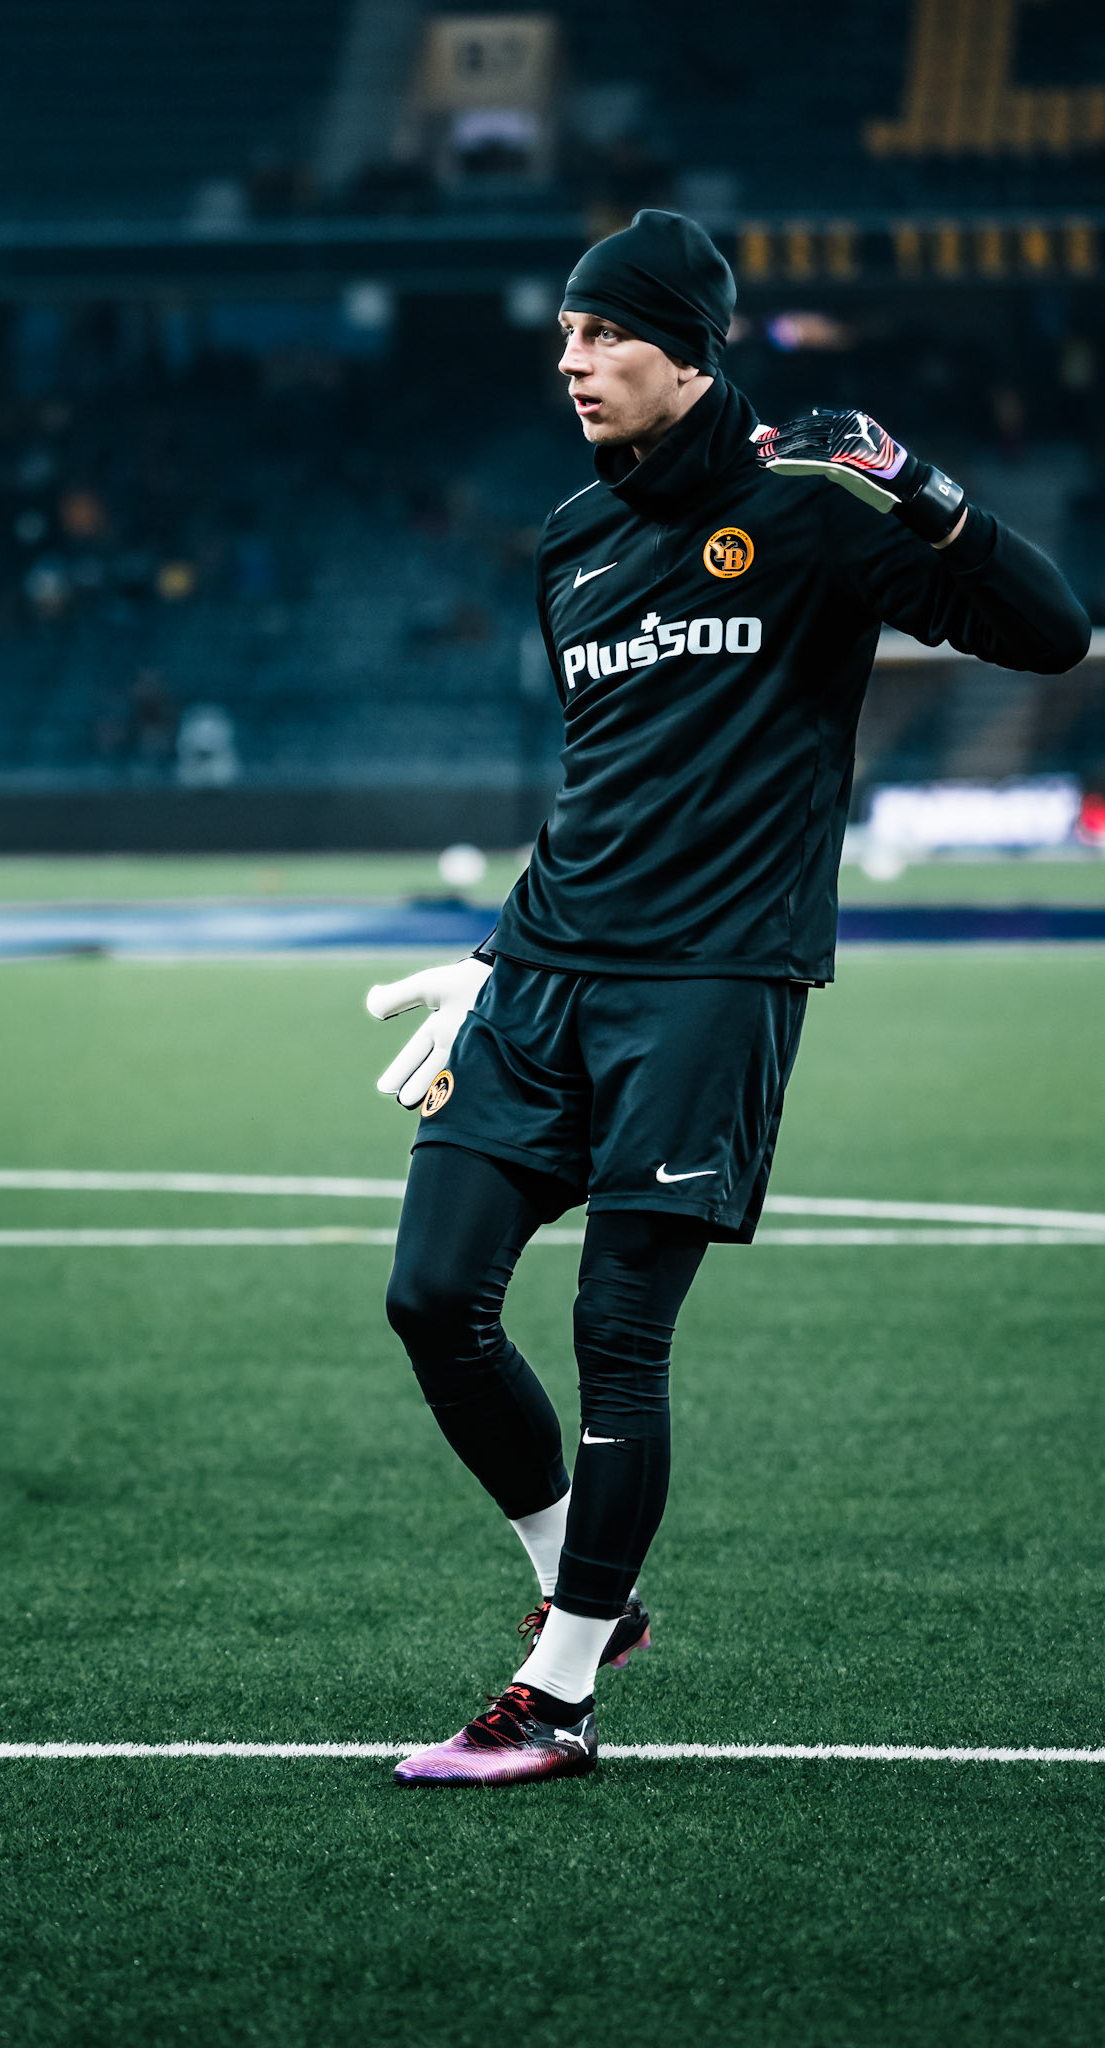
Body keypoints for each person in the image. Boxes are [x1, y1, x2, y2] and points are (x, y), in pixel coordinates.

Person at [368, 210, 1091, 1787]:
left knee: (618, 1337)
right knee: (429, 1298)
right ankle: (589, 1590)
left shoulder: (815, 514)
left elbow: (1046, 636)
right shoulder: (568, 538)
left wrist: (921, 487)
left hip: (709, 982)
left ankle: (553, 1702)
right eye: (561, 335)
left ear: (685, 351)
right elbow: (601, 785)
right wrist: (496, 951)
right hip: (550, 973)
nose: (570, 361)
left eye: (602, 335)